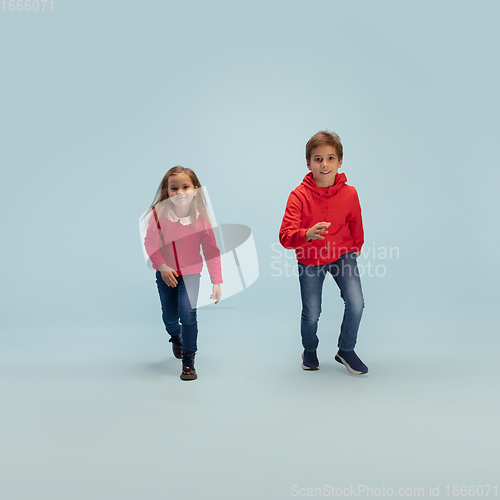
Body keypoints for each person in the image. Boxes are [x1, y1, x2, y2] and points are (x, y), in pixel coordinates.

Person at [279, 131, 368, 374]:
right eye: (318, 159)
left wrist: (356, 246)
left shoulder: (350, 193)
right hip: (310, 259)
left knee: (356, 303)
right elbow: (285, 236)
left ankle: (346, 350)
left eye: (330, 158)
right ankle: (309, 349)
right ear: (308, 163)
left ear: (339, 162)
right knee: (312, 312)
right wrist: (306, 235)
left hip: (342, 254)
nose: (324, 164)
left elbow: (355, 221)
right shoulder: (298, 196)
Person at [143, 166, 222, 381]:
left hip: (191, 275)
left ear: (195, 190)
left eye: (185, 187)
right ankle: (175, 336)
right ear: (167, 191)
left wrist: (216, 281)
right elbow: (150, 242)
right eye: (174, 188)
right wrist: (162, 265)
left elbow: (212, 252)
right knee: (170, 319)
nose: (179, 193)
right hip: (165, 274)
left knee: (188, 315)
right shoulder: (159, 216)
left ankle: (189, 362)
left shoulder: (201, 220)